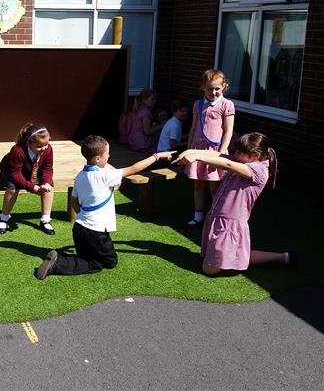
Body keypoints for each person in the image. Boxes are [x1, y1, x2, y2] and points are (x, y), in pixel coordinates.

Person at [35, 136, 174, 279]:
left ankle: (58, 258)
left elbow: (74, 202)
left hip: (79, 228)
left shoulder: (80, 176)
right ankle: (58, 263)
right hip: (96, 232)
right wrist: (157, 156)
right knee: (106, 262)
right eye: (107, 153)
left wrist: (83, 216)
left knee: (86, 257)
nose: (109, 156)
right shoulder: (105, 175)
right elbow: (134, 168)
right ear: (97, 158)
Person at [172, 132, 296, 275]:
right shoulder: (243, 161)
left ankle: (241, 261)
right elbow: (220, 156)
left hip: (230, 223)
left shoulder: (259, 171)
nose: (235, 154)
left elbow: (227, 164)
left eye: (240, 152)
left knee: (209, 270)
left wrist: (197, 157)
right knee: (228, 256)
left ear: (255, 155)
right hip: (219, 216)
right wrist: (192, 151)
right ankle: (284, 257)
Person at [184, 69, 235, 228]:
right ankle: (198, 216)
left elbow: (229, 131)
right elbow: (193, 128)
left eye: (217, 88)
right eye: (209, 88)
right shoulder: (198, 104)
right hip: (197, 150)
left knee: (215, 185)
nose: (213, 92)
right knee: (198, 184)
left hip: (215, 151)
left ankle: (215, 217)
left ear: (224, 87)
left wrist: (221, 154)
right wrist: (189, 149)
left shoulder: (227, 105)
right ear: (202, 88)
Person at [0, 123, 56, 235]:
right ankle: (4, 217)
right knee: (12, 188)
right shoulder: (18, 151)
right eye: (39, 146)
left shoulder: (48, 150)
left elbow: (47, 169)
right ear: (29, 143)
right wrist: (32, 187)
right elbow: (15, 174)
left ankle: (45, 219)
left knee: (49, 188)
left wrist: (46, 183)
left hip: (31, 170)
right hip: (10, 171)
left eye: (46, 144)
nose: (44, 148)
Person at [126, 88, 163, 152]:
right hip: (141, 143)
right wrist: (161, 125)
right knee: (160, 133)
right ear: (144, 100)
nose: (155, 101)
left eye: (155, 99)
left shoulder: (137, 109)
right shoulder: (146, 113)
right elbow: (147, 132)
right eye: (152, 100)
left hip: (132, 141)